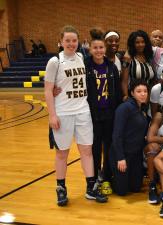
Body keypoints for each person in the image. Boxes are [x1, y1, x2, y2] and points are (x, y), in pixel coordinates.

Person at [44, 25, 107, 206]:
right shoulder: (55, 61)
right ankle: (61, 188)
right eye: (67, 41)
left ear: (79, 42)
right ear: (61, 42)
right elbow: (48, 91)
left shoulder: (82, 58)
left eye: (74, 40)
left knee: (86, 151)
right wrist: (52, 115)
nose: (71, 44)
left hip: (82, 111)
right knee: (62, 153)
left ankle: (90, 187)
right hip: (63, 113)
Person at [85, 28, 122, 195]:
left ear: (105, 49)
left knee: (108, 146)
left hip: (109, 114)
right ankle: (93, 179)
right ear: (90, 49)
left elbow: (118, 92)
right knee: (94, 148)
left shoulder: (111, 67)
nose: (99, 51)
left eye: (101, 48)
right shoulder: (85, 66)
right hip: (92, 114)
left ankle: (106, 176)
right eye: (95, 48)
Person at [110, 80, 150, 196]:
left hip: (135, 155)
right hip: (122, 154)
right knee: (122, 191)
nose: (143, 94)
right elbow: (117, 135)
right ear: (132, 93)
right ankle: (108, 176)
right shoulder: (124, 108)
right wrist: (120, 158)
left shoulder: (142, 108)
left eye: (145, 91)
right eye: (139, 91)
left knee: (136, 188)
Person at [121, 30, 155, 100]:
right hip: (133, 98)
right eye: (137, 42)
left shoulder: (149, 58)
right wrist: (126, 96)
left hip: (147, 97)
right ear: (133, 44)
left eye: (143, 42)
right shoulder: (128, 58)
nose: (141, 44)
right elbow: (124, 81)